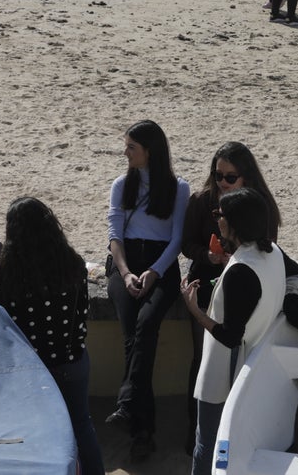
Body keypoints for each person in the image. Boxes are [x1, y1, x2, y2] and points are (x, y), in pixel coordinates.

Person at [0, 198, 104, 475]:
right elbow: (82, 310)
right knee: (81, 425)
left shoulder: (6, 272)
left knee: (34, 436)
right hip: (72, 361)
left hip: (31, 372)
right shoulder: (73, 264)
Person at [180, 187, 298, 475]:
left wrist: (194, 309)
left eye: (220, 215)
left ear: (234, 224)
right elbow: (294, 276)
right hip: (254, 361)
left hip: (224, 371)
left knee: (207, 444)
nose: (217, 220)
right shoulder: (274, 253)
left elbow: (229, 335)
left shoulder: (241, 272)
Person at [180, 141, 281, 455]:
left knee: (217, 382)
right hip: (212, 280)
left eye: (229, 177)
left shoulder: (258, 214)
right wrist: (209, 258)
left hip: (233, 295)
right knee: (202, 360)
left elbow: (229, 336)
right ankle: (196, 427)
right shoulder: (203, 201)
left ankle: (208, 437)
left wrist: (195, 309)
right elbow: (188, 244)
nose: (221, 183)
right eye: (218, 175)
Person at [103, 120, 189, 462]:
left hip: (161, 264)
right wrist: (125, 274)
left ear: (149, 150)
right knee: (134, 336)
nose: (125, 152)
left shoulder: (177, 187)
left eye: (131, 147)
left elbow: (177, 239)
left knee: (145, 327)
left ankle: (129, 409)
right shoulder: (121, 184)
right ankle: (143, 430)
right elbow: (114, 236)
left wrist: (153, 272)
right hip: (125, 262)